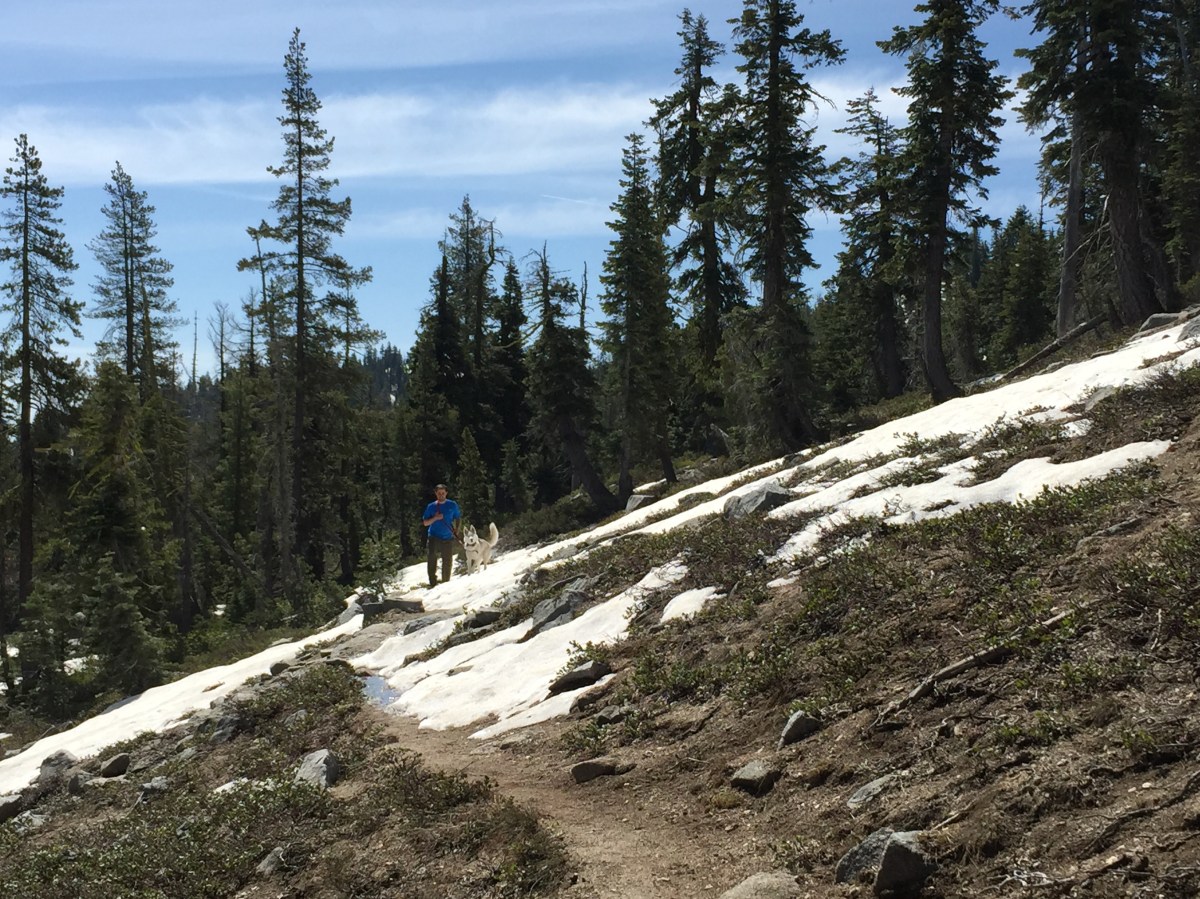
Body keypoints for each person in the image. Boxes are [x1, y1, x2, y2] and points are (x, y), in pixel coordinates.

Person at [422, 483, 461, 588]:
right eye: (439, 493)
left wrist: (457, 529)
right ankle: (432, 582)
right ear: (436, 494)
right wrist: (435, 518)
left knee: (447, 560)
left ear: (446, 493)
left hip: (447, 536)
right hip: (433, 536)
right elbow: (425, 523)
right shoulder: (431, 506)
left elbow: (458, 517)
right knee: (432, 558)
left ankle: (445, 582)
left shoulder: (452, 505)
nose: (441, 495)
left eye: (443, 493)